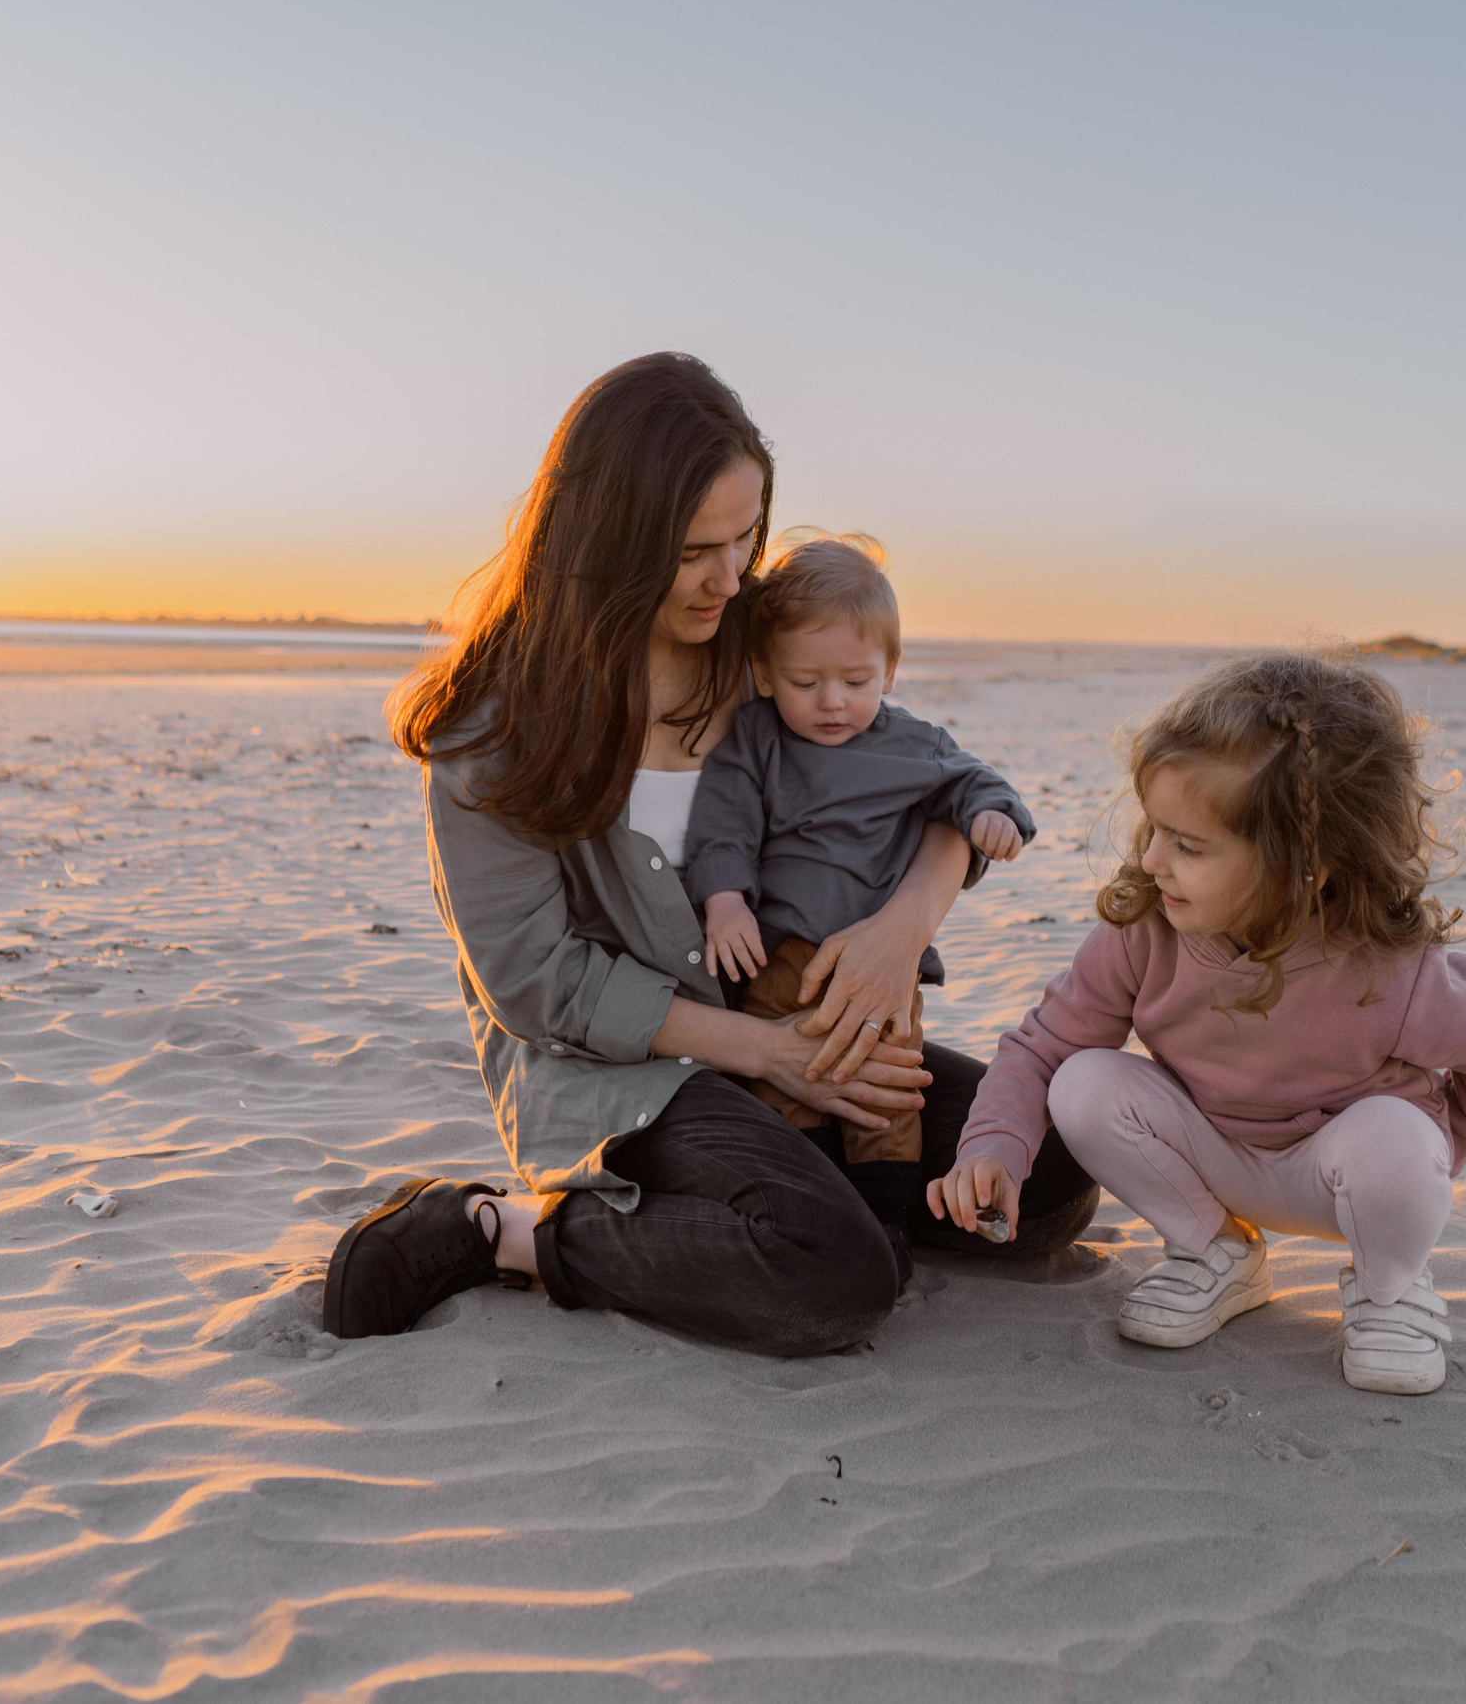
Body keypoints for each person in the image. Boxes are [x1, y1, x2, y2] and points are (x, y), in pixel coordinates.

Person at [321, 352, 1097, 1355]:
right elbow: (533, 982)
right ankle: (496, 1231)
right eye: (694, 550)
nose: (729, 579)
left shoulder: (756, 645)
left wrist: (899, 935)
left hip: (786, 1012)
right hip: (620, 1068)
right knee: (835, 1278)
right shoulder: (493, 729)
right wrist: (776, 1059)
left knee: (1050, 1174)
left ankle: (795, 1198)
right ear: (608, 538)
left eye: (746, 538)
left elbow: (916, 776)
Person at [928, 652, 1466, 1393]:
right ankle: (1215, 1251)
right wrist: (993, 1145)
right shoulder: (1146, 932)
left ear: (1303, 866)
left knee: (1397, 1140)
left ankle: (1390, 1288)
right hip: (1210, 1159)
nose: (1153, 859)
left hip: (1342, 1175)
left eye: (1189, 846)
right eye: (1154, 829)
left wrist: (1444, 1150)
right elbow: (1042, 1047)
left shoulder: (1393, 971)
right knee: (1083, 1081)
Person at [683, 532, 1035, 1234]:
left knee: (887, 1093)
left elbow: (976, 784)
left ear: (891, 670)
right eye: (805, 683)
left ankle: (887, 1218)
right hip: (782, 958)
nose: (832, 702)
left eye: (856, 681)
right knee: (785, 1086)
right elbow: (722, 824)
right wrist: (724, 900)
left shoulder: (914, 745)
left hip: (882, 969)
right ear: (764, 671)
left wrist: (995, 816)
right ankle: (812, 1207)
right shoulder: (758, 739)